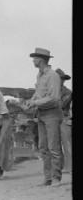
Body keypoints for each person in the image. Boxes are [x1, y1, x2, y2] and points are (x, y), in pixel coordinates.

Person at [23, 48, 63, 187]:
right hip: (42, 114)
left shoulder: (53, 76)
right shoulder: (39, 76)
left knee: (53, 147)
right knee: (43, 147)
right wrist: (31, 101)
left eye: (34, 58)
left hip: (52, 113)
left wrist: (35, 102)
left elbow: (54, 98)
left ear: (40, 60)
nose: (33, 61)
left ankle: (56, 177)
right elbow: (38, 93)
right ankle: (48, 178)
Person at [56, 68, 72, 173]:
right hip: (53, 120)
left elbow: (62, 105)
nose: (60, 81)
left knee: (67, 144)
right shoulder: (51, 91)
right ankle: (60, 167)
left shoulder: (67, 92)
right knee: (56, 145)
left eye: (61, 79)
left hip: (64, 119)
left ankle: (70, 167)